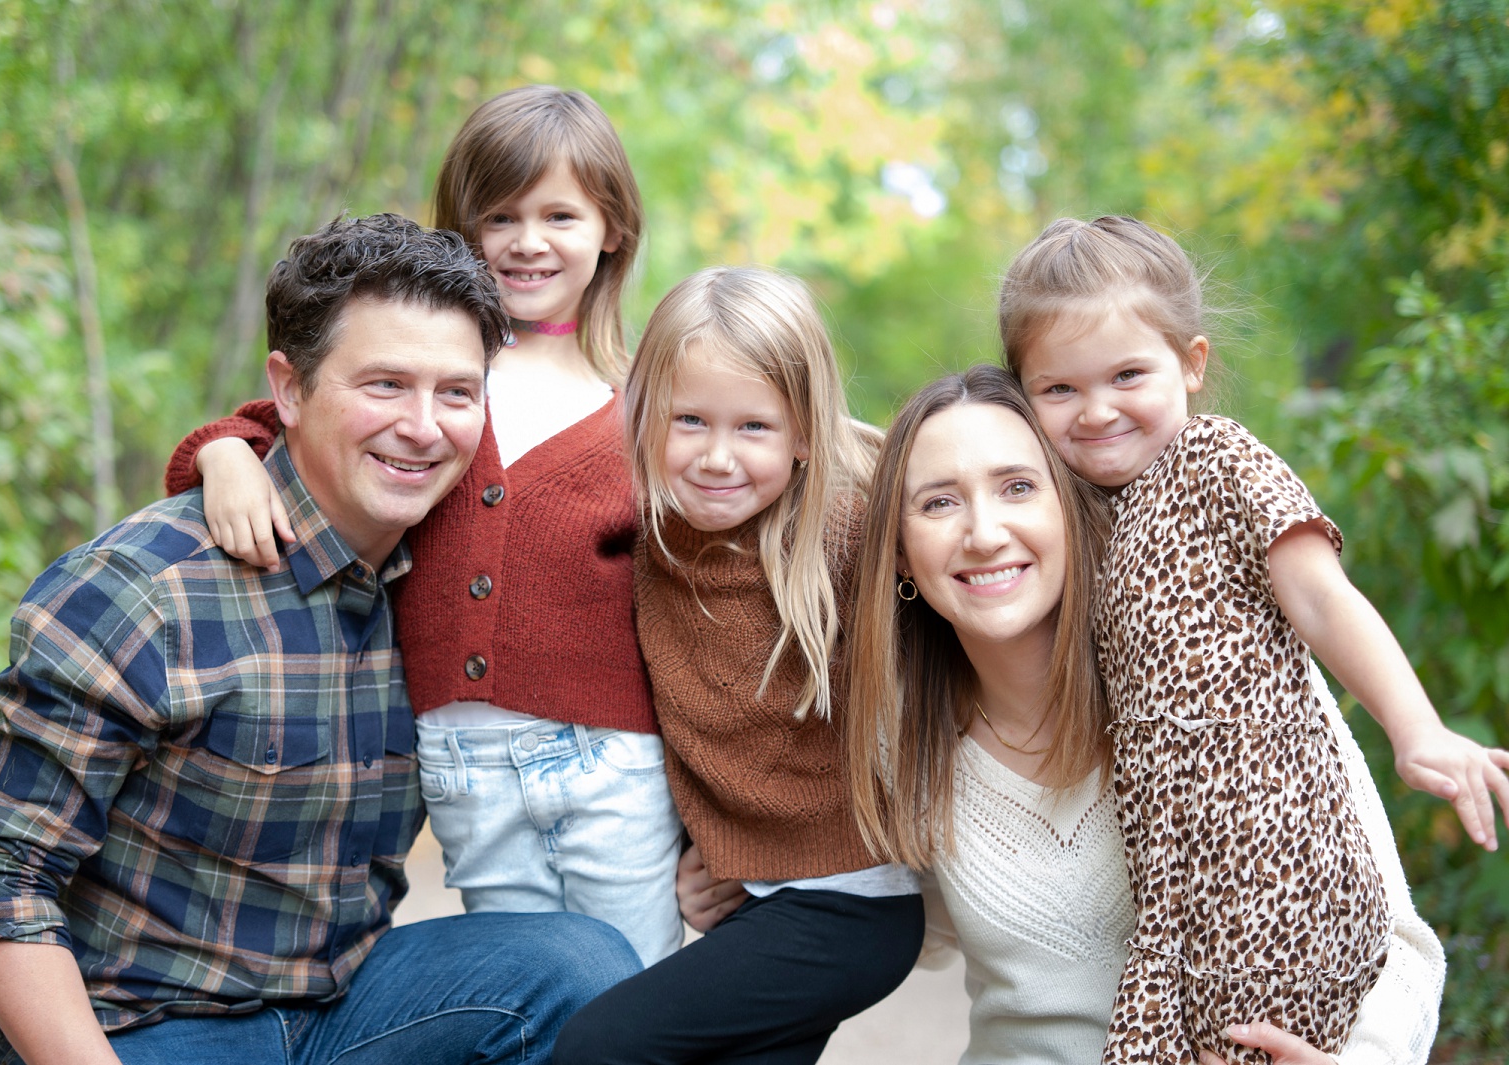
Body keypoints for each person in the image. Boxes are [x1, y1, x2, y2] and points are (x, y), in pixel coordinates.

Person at [0, 214, 641, 1065]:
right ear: (291, 388)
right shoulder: (146, 590)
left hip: (335, 1011)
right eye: (384, 384)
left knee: (579, 963)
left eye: (456, 393)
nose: (424, 427)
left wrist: (705, 853)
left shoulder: (443, 585)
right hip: (140, 1028)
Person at [163, 86, 683, 966]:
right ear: (461, 232)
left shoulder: (642, 406)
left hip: (612, 761)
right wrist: (220, 455)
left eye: (559, 214)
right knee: (532, 980)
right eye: (500, 215)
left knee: (638, 986)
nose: (528, 240)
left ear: (613, 229)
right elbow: (280, 418)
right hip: (460, 763)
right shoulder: (436, 376)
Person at [994, 216, 1509, 1063]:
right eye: (1059, 390)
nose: (1097, 410)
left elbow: (1321, 599)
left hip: (1278, 863)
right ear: (1024, 395)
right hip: (1174, 904)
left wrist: (1415, 730)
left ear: (1191, 365)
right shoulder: (1074, 515)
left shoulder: (1215, 458)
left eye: (1128, 374)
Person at [843, 364, 1448, 1065]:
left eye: (1017, 487)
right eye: (939, 503)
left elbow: (1403, 944)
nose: (983, 532)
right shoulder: (902, 740)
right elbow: (899, 927)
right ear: (899, 552)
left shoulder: (1228, 660)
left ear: (1069, 508)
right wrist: (732, 878)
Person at [550, 266, 924, 1065]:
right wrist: (231, 448)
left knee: (596, 1047)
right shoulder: (646, 540)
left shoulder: (850, 536)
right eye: (691, 419)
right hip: (749, 901)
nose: (718, 457)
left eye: (754, 427)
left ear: (802, 434)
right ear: (644, 416)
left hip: (849, 905)